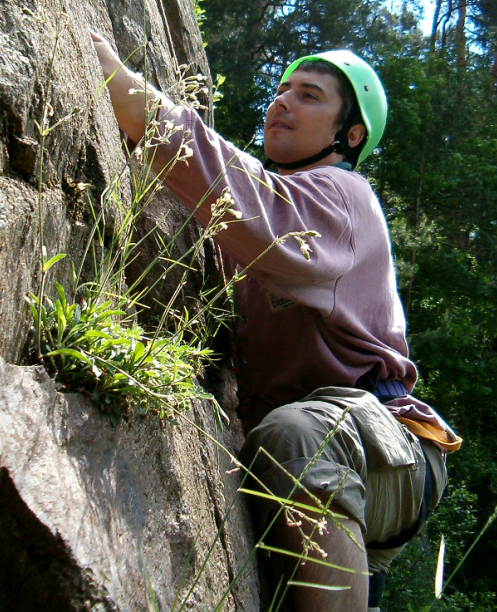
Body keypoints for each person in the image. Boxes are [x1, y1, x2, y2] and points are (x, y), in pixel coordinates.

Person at [90, 31, 461, 612]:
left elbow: (253, 204)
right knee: (288, 442)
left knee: (295, 438)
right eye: (282, 88)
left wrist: (135, 101)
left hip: (380, 442)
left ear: (350, 135)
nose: (282, 101)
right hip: (314, 449)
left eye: (309, 96)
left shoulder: (342, 196)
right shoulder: (280, 210)